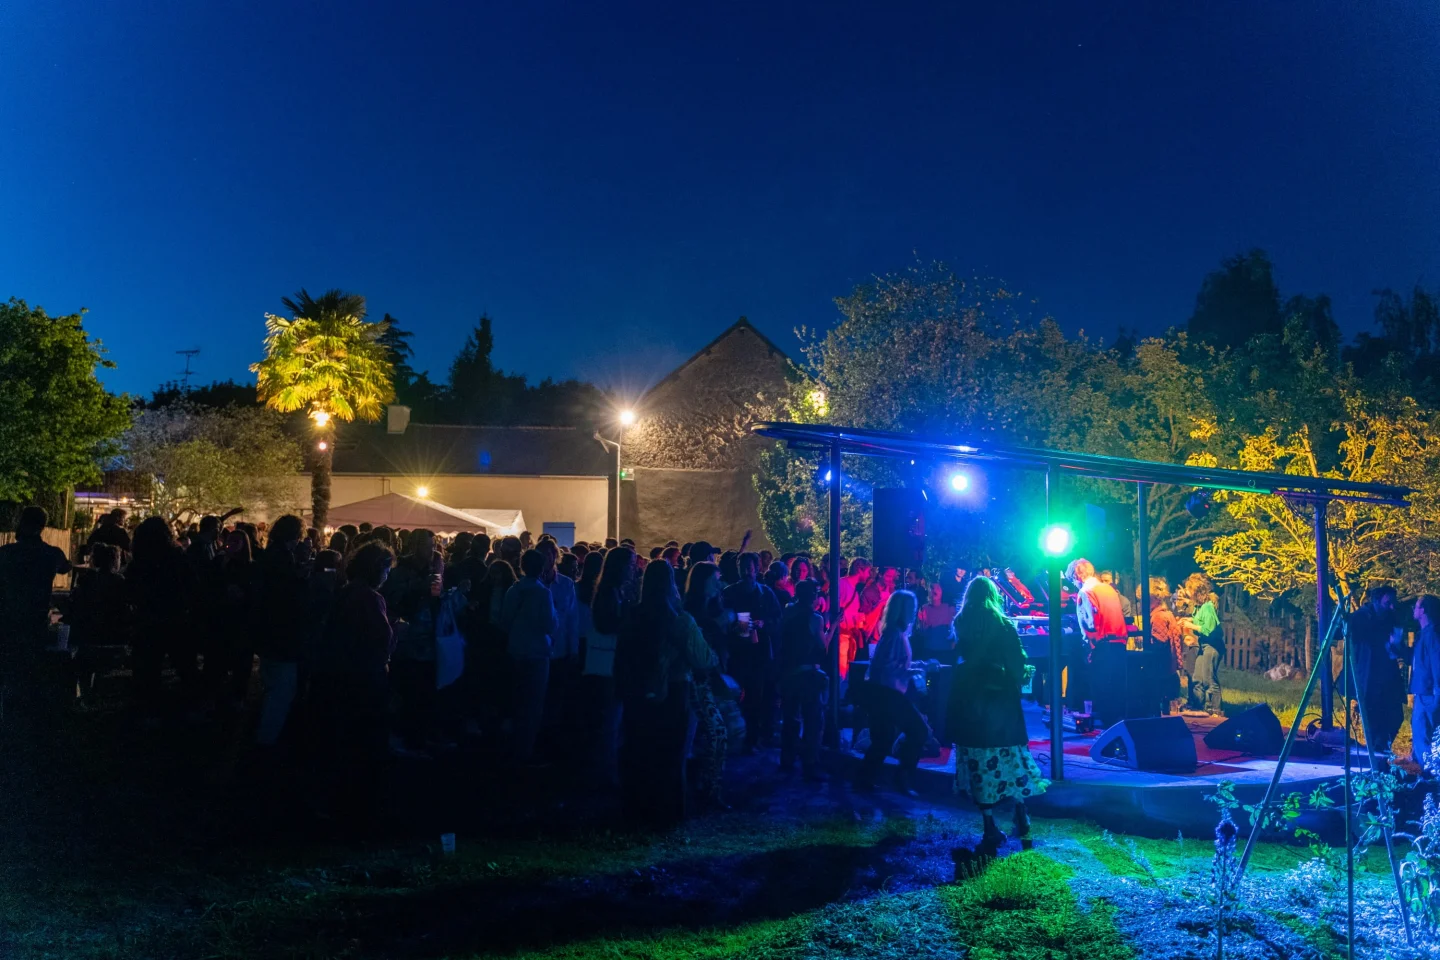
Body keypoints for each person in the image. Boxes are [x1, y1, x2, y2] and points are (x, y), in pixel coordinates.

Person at [946, 576, 1049, 851]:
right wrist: (1020, 676)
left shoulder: (960, 623)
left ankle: (989, 825)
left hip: (969, 700)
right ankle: (1021, 814)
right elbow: (1016, 662)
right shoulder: (1003, 624)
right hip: (999, 700)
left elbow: (959, 658)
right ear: (993, 596)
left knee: (977, 762)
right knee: (1011, 756)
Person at [615, 559, 713, 825]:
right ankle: (669, 814)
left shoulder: (632, 615)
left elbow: (621, 655)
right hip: (674, 692)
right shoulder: (679, 620)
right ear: (671, 584)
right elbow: (702, 659)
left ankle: (636, 810)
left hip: (638, 692)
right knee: (672, 754)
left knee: (640, 749)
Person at [307, 542, 395, 827]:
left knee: (339, 742)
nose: (388, 575)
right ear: (376, 569)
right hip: (363, 680)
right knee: (360, 745)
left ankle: (331, 804)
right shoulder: (370, 598)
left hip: (337, 677)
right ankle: (355, 809)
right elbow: (380, 643)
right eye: (386, 569)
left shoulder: (345, 592)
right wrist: (398, 633)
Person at [0, 506, 73, 726]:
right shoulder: (51, 553)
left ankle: (11, 709)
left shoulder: (6, 553)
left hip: (8, 615)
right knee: (33, 662)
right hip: (36, 616)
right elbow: (66, 567)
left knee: (10, 663)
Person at [854, 590, 931, 794]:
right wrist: (916, 670)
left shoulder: (895, 633)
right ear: (902, 610)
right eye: (911, 607)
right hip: (887, 694)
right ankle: (901, 778)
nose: (914, 612)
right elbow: (887, 668)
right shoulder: (894, 635)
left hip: (884, 693)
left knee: (883, 739)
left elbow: (893, 664)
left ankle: (865, 780)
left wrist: (919, 665)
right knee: (919, 731)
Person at [251, 514, 309, 745]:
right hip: (282, 634)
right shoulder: (282, 558)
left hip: (267, 631)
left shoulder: (269, 555)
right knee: (282, 690)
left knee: (271, 684)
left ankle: (261, 734)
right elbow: (287, 596)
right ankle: (266, 739)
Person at [721, 552, 783, 753]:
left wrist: (763, 624)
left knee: (756, 696)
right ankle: (735, 737)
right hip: (737, 652)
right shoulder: (729, 592)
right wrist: (734, 627)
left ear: (757, 569)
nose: (746, 571)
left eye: (749, 567)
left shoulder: (765, 593)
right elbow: (720, 621)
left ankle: (752, 739)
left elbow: (778, 619)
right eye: (743, 567)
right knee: (735, 695)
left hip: (759, 652)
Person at [501, 549, 559, 764]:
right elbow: (550, 625)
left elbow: (505, 620)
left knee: (516, 699)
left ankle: (512, 746)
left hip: (516, 650)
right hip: (537, 653)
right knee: (533, 703)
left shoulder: (514, 590)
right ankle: (526, 749)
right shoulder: (543, 593)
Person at [683, 562, 731, 807]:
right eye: (714, 579)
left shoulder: (713, 608)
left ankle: (706, 786)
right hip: (696, 680)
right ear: (702, 582)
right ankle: (708, 790)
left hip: (712, 679)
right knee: (716, 733)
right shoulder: (691, 612)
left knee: (713, 733)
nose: (719, 583)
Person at [586, 546, 635, 786]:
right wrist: (628, 614)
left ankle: (608, 769)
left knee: (612, 720)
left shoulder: (612, 590)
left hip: (610, 661)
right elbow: (606, 625)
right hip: (608, 663)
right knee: (610, 721)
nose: (634, 569)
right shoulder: (609, 592)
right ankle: (606, 773)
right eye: (631, 564)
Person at [1344, 584, 1405, 754]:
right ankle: (1376, 752)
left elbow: (1397, 642)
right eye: (1388, 603)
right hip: (1369, 675)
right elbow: (1342, 633)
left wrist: (1396, 646)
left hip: (1389, 675)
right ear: (1376, 601)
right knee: (1373, 716)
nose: (1392, 606)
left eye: (1393, 602)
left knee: (1395, 715)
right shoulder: (1361, 617)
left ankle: (1381, 746)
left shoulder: (1391, 617)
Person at [1067, 557, 1128, 724]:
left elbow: (1091, 624)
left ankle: (1105, 729)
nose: (1074, 584)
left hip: (1102, 646)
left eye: (1072, 580)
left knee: (1102, 691)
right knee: (1116, 691)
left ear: (1077, 575)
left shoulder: (1086, 592)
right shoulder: (1109, 589)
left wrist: (1089, 649)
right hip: (1119, 644)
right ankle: (1117, 727)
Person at [779, 579, 829, 780]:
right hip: (807, 674)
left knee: (790, 719)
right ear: (813, 597)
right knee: (812, 720)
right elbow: (823, 646)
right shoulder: (815, 618)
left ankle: (787, 759)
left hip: (787, 673)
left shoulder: (787, 612)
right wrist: (833, 625)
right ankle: (810, 764)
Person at [1179, 573, 1225, 717]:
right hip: (1203, 645)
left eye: (1189, 589)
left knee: (1209, 679)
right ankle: (1198, 706)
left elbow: (1208, 629)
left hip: (1213, 646)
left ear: (1197, 591)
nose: (1187, 592)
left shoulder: (1208, 607)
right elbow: (1200, 622)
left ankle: (1216, 710)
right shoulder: (1200, 607)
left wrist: (1190, 626)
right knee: (1197, 677)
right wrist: (1190, 621)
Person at [1408, 595, 1440, 769]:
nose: (1414, 609)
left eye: (1417, 606)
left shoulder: (1432, 634)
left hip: (1428, 693)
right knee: (1422, 731)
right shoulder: (1425, 633)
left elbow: (1437, 664)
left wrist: (1437, 692)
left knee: (1424, 732)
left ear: (1424, 610)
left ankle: (1430, 772)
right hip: (1423, 691)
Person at [1145, 577, 1185, 715]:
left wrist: (1145, 642)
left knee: (1157, 701)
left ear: (1154, 599)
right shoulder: (1167, 614)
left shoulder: (1158, 617)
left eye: (1146, 599)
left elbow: (1160, 643)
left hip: (1160, 665)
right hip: (1167, 664)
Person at [916, 582, 957, 662]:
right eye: (932, 588)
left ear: (942, 591)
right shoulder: (923, 609)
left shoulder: (949, 608)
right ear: (928, 590)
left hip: (946, 651)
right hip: (929, 651)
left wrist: (953, 645)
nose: (934, 590)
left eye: (937, 588)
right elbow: (921, 631)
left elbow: (955, 629)